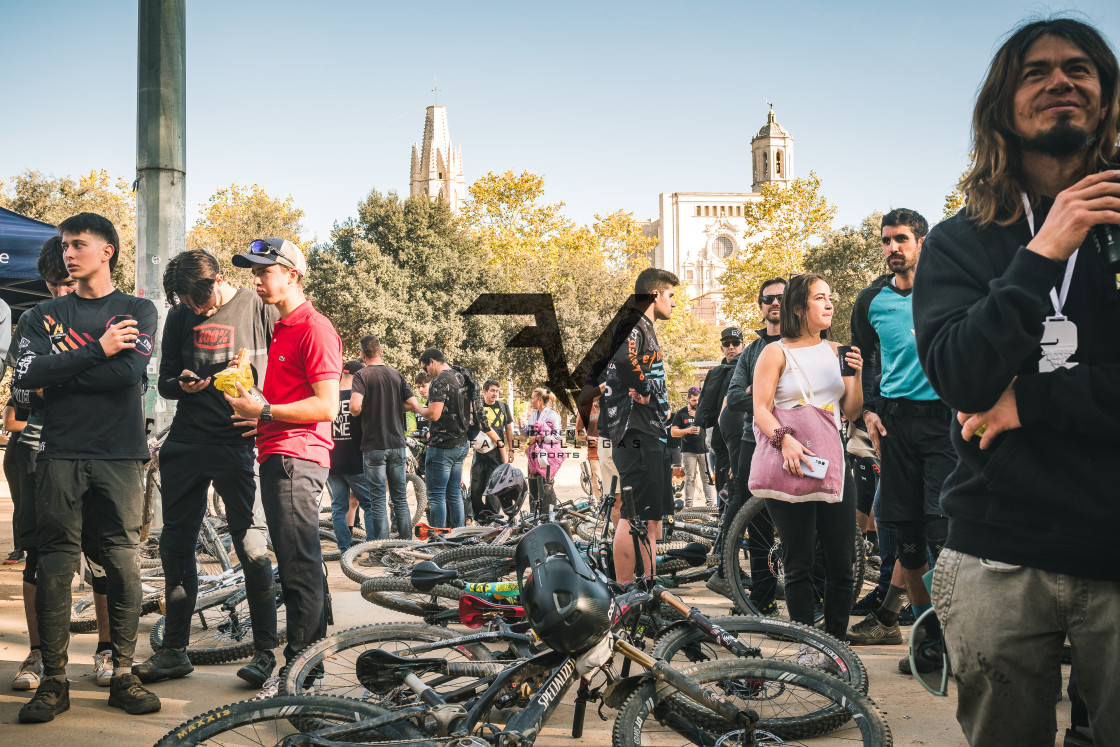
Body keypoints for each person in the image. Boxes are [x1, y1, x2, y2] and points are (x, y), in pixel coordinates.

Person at [912, 18, 1120, 746]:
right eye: (1036, 72)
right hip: (998, 549)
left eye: (1079, 69)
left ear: (1106, 94)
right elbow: (963, 375)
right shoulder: (960, 240)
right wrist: (1044, 249)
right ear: (1003, 104)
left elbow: (1000, 390)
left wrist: (1029, 399)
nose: (1060, 81)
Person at [14, 212, 161, 722]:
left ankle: (123, 671)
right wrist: (98, 349)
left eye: (78, 245)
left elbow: (129, 375)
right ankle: (54, 680)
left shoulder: (137, 309)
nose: (68, 254)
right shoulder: (42, 316)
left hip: (119, 455)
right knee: (56, 565)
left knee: (120, 562)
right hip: (59, 454)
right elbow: (28, 374)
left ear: (108, 251)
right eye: (64, 246)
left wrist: (63, 372)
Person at [130, 249, 280, 688]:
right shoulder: (180, 316)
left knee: (252, 550)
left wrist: (267, 412)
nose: (194, 310)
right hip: (188, 443)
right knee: (175, 548)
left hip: (239, 442)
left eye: (198, 301)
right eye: (185, 303)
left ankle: (265, 652)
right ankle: (174, 651)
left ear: (216, 281)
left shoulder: (258, 307)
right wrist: (182, 383)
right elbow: (165, 383)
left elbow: (287, 371)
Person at [225, 238, 341, 697]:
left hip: (297, 459)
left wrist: (265, 413)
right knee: (298, 562)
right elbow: (287, 400)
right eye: (252, 271)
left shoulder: (313, 327)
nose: (255, 279)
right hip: (281, 453)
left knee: (298, 567)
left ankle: (300, 672)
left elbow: (327, 405)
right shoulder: (281, 328)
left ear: (291, 273)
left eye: (263, 270)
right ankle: (307, 666)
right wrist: (260, 414)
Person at [845, 208, 953, 665]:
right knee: (907, 539)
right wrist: (867, 410)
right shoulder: (871, 301)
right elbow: (861, 359)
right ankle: (929, 638)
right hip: (895, 428)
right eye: (887, 241)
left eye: (901, 239)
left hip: (946, 424)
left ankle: (960, 637)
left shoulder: (948, 292)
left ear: (921, 243)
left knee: (943, 532)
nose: (893, 248)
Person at [8, 239, 112, 692]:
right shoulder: (33, 322)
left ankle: (108, 651)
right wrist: (82, 373)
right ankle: (39, 654)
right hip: (32, 449)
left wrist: (60, 375)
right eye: (53, 285)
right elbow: (24, 391)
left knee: (103, 554)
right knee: (39, 557)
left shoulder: (112, 315)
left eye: (67, 283)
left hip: (98, 448)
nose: (59, 293)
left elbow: (122, 381)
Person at [751, 273, 862, 642]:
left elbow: (849, 411)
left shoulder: (839, 351)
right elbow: (761, 411)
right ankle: (808, 648)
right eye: (819, 298)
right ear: (799, 308)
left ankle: (836, 644)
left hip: (833, 467)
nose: (829, 304)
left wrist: (855, 376)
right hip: (792, 467)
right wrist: (784, 441)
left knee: (841, 565)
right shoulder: (774, 352)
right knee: (799, 563)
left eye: (830, 297)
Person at [711, 278, 786, 610]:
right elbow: (735, 398)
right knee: (756, 524)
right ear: (760, 306)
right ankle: (762, 597)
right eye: (767, 298)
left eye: (781, 298)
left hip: (801, 445)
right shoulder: (752, 351)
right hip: (751, 444)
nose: (774, 303)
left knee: (801, 524)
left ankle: (811, 597)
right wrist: (769, 393)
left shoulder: (805, 344)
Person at [601, 268, 678, 583]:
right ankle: (625, 591)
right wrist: (645, 389)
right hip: (635, 432)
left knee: (651, 520)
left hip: (653, 434)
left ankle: (649, 586)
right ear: (655, 294)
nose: (674, 303)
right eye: (671, 296)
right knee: (634, 517)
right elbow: (623, 357)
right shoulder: (633, 321)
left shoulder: (646, 326)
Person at [349, 335, 419, 540]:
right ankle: (406, 546)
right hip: (397, 444)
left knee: (378, 499)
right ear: (380, 351)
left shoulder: (361, 375)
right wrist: (393, 406)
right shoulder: (396, 374)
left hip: (374, 445)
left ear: (362, 355)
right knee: (400, 498)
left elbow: (354, 407)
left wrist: (363, 410)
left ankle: (380, 551)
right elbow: (412, 403)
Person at [415, 348, 469, 528]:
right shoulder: (460, 376)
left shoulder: (440, 380)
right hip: (461, 443)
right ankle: (458, 537)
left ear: (432, 361)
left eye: (425, 368)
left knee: (436, 495)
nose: (426, 374)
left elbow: (433, 414)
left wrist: (416, 407)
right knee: (454, 493)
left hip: (442, 446)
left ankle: (438, 539)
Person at [325, 360, 375, 547]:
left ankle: (345, 549)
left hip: (332, 462)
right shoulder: (358, 399)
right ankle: (372, 548)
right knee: (369, 505)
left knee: (338, 507)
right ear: (358, 377)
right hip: (355, 462)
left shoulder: (328, 398)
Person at [469, 379, 514, 522]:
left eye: (497, 391)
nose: (495, 394)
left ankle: (492, 520)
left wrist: (511, 449)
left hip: (497, 454)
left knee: (494, 489)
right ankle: (480, 518)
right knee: (475, 490)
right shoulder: (477, 406)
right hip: (480, 453)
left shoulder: (503, 406)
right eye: (492, 391)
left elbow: (508, 429)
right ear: (484, 391)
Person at [670, 387, 715, 507]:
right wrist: (687, 430)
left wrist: (698, 416)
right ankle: (688, 505)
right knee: (690, 478)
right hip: (688, 451)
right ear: (688, 399)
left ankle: (710, 505)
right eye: (694, 400)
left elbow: (712, 423)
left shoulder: (703, 412)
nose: (696, 403)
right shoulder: (681, 413)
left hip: (704, 450)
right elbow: (673, 432)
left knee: (707, 478)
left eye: (698, 400)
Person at [524, 387, 564, 511]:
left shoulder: (552, 415)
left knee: (546, 487)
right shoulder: (533, 414)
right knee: (533, 487)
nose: (531, 400)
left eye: (533, 398)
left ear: (540, 400)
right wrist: (522, 427)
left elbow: (557, 437)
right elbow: (528, 434)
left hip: (546, 457)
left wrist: (539, 439)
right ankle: (534, 515)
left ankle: (548, 515)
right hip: (533, 457)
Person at [575, 398, 602, 501]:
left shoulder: (612, 405)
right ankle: (601, 506)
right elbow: (578, 432)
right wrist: (588, 438)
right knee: (597, 479)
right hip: (594, 451)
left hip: (612, 450)